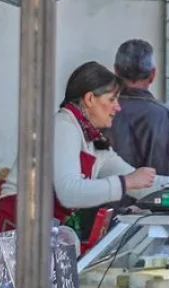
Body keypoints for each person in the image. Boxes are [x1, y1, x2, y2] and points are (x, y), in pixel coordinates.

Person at [54, 62, 159, 237]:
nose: (118, 107)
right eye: (111, 99)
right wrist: (126, 182)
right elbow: (69, 192)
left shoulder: (93, 140)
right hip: (14, 235)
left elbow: (141, 183)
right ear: (89, 99)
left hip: (46, 234)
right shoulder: (64, 126)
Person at [108, 39, 169, 179]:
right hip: (161, 199)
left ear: (116, 72)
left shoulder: (96, 115)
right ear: (153, 74)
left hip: (107, 199)